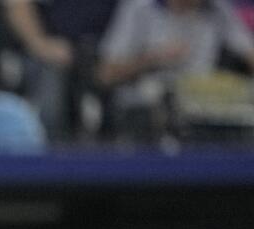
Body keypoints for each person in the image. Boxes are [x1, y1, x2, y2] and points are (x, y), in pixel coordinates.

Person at [97, 0, 254, 139]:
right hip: (142, 113)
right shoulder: (139, 7)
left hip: (201, 115)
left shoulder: (217, 8)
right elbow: (106, 74)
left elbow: (248, 52)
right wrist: (153, 58)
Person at [2, 0, 119, 141]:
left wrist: (117, 54)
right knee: (51, 91)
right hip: (51, 51)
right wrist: (41, 45)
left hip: (112, 51)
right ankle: (51, 151)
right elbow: (17, 4)